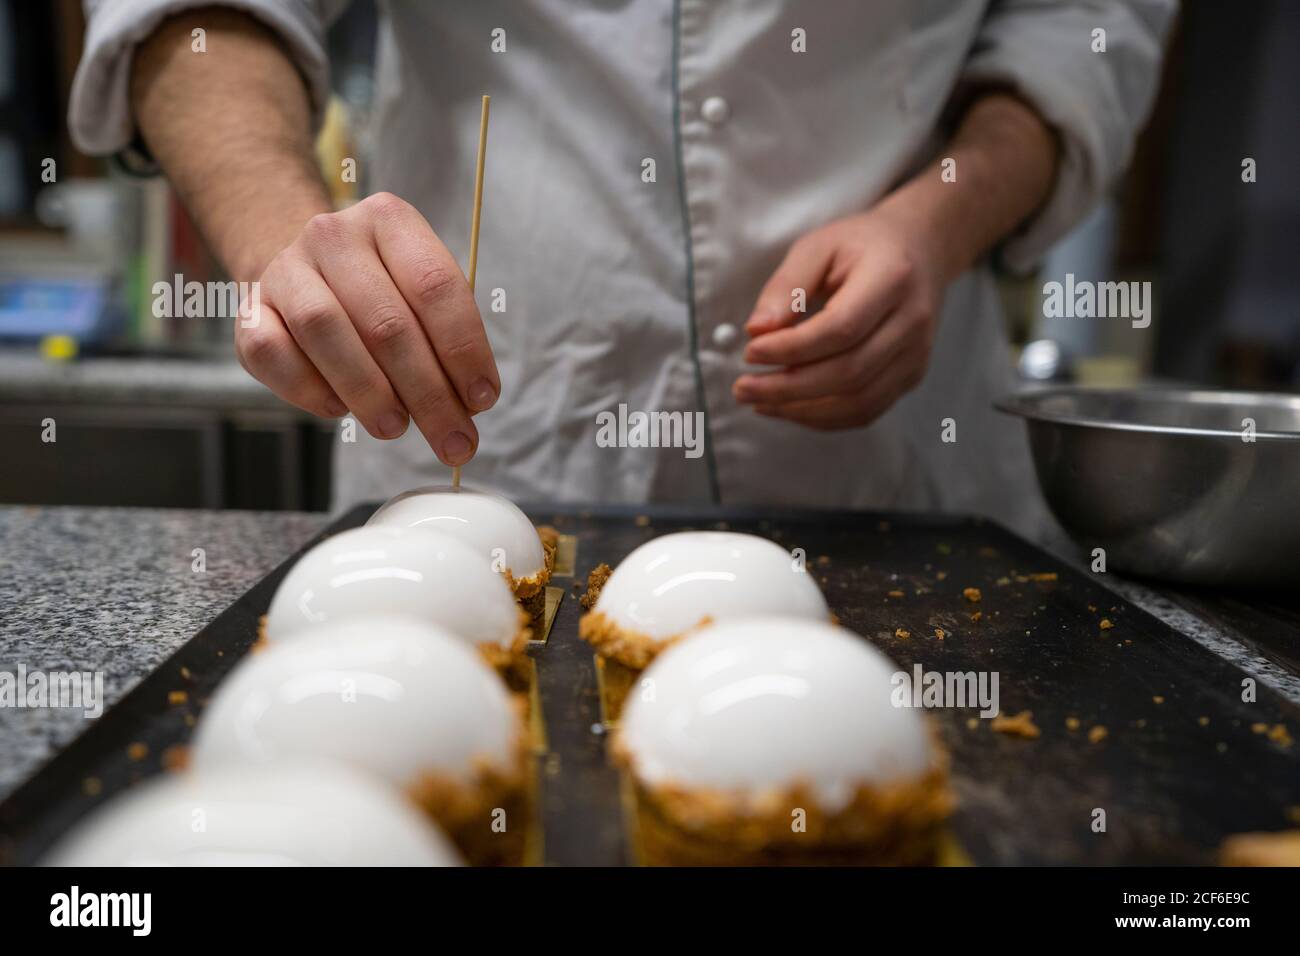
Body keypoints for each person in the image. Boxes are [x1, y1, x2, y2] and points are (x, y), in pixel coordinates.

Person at [70, 1, 1174, 538]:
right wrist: (277, 230)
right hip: (478, 458)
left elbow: (1080, 19)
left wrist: (936, 220)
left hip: (901, 476)